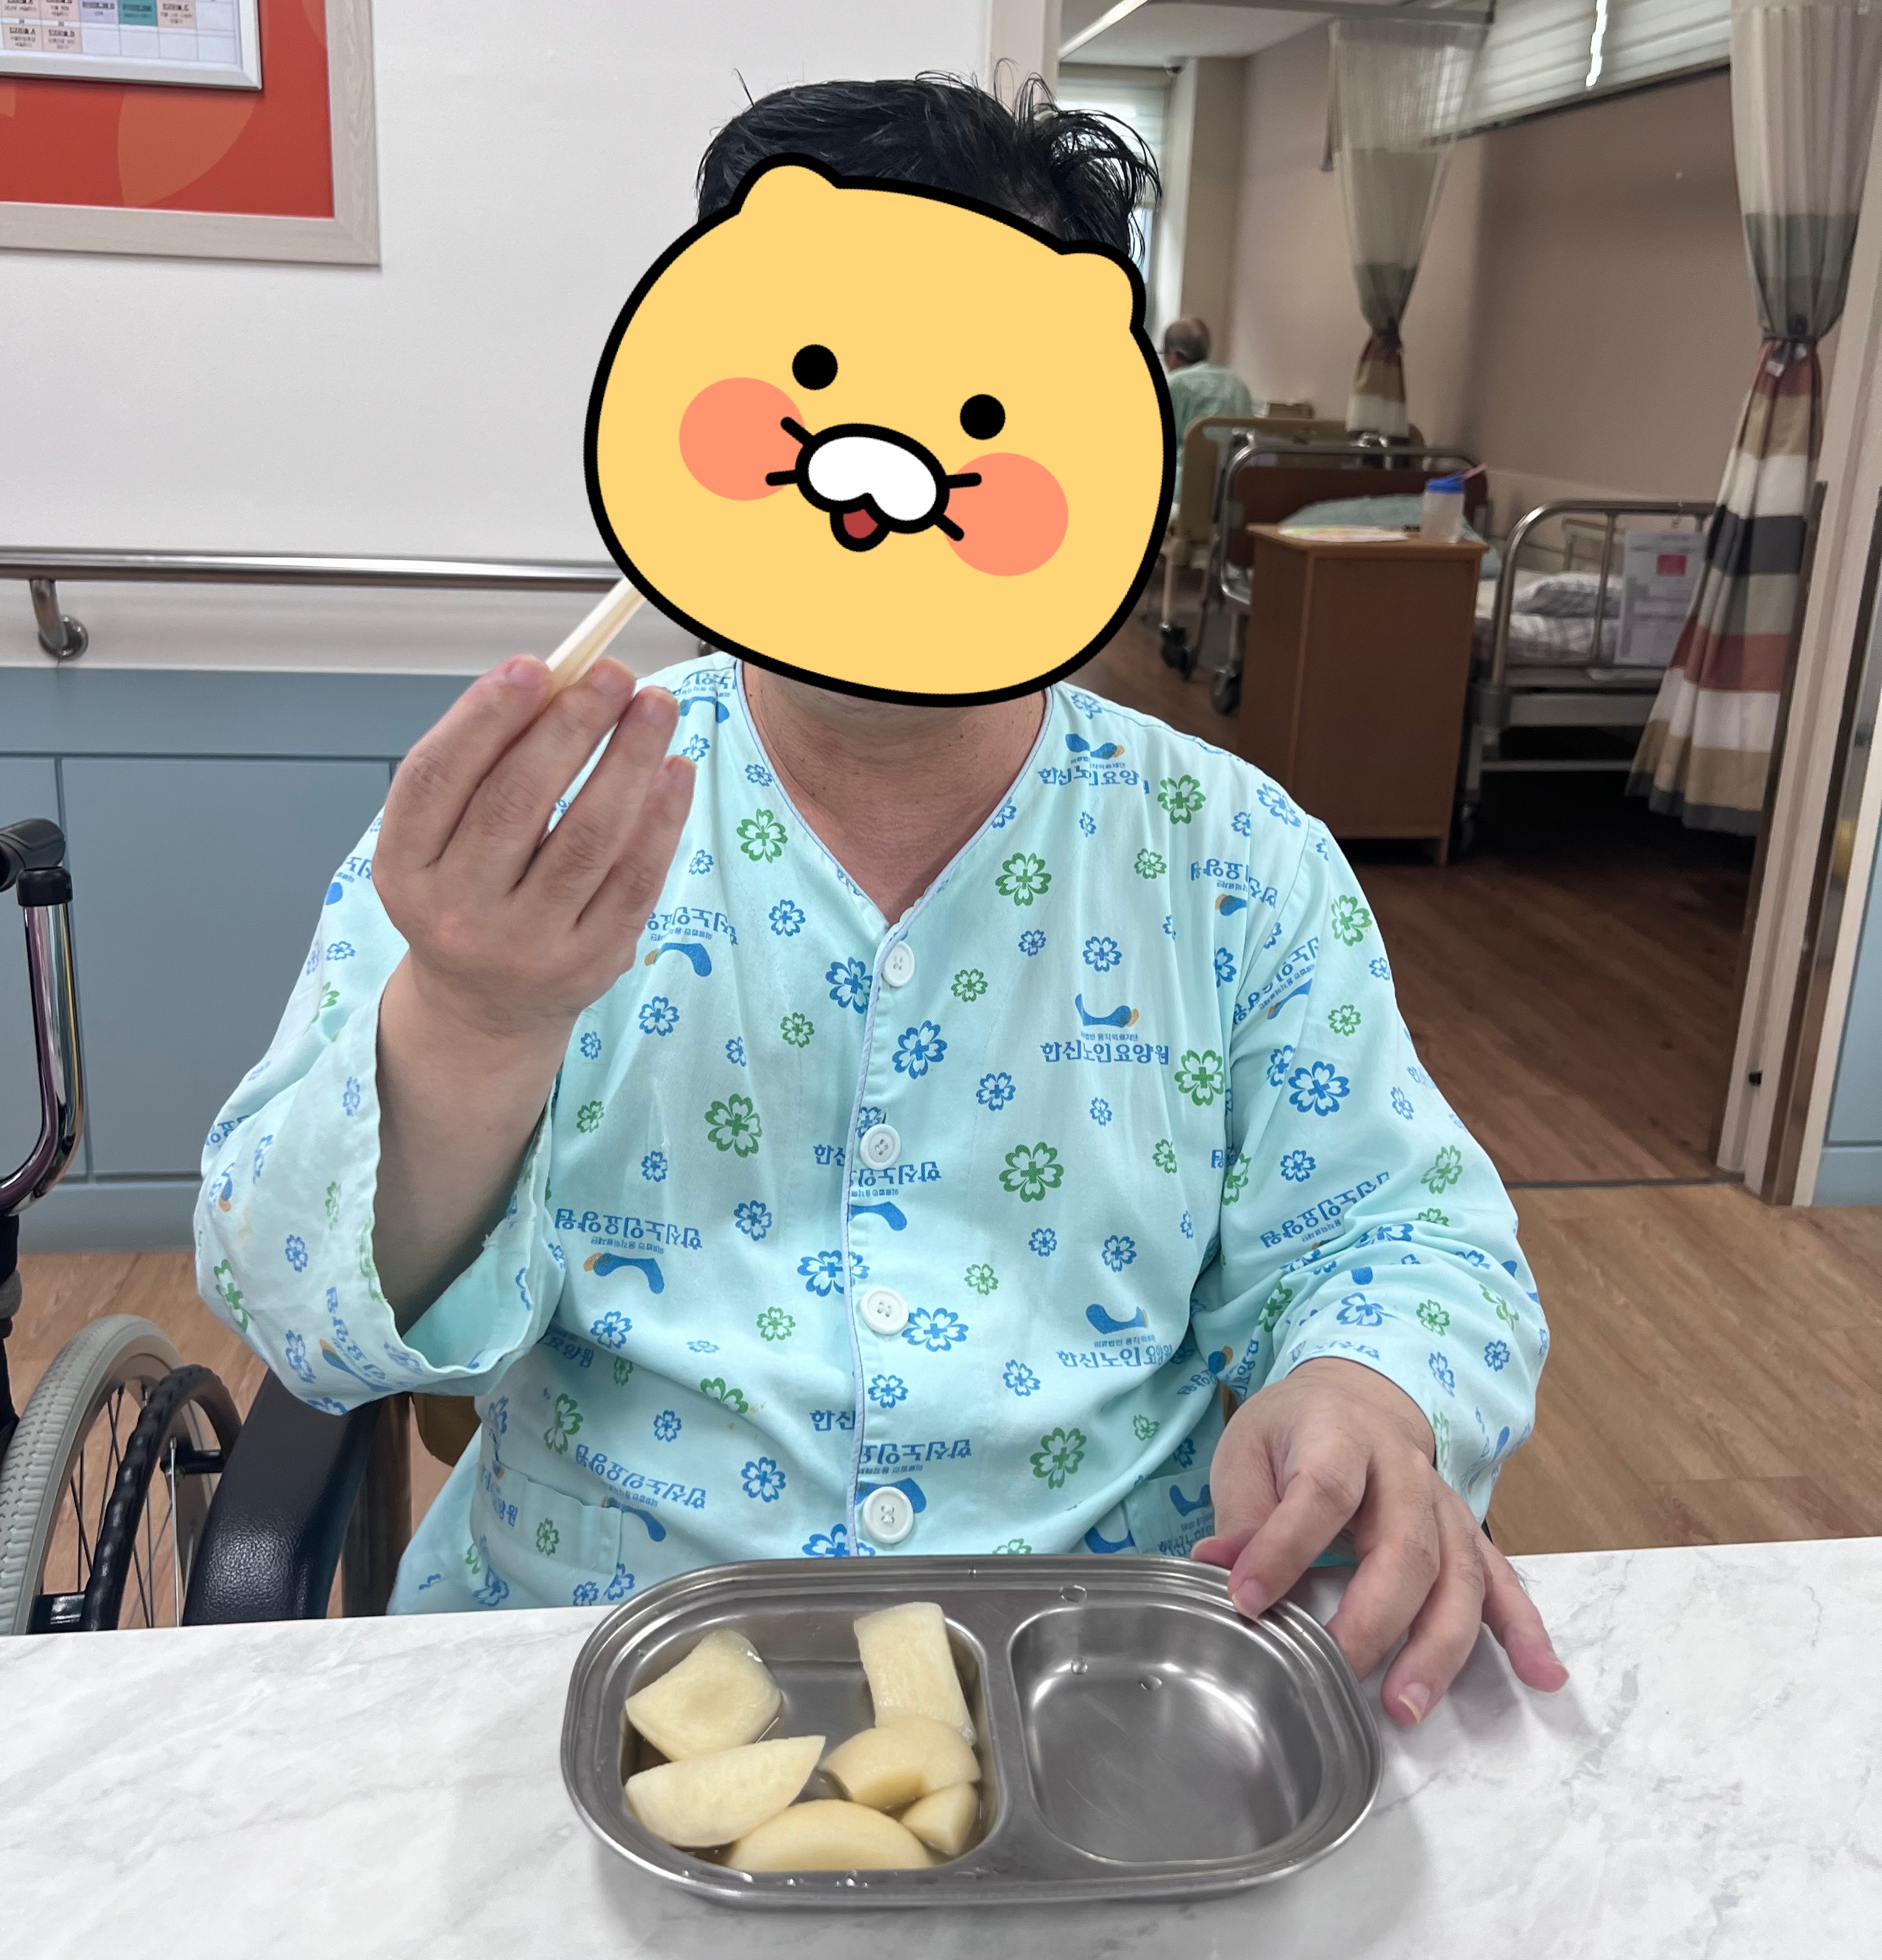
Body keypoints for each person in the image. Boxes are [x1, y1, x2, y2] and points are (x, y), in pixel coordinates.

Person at [195, 75, 1565, 1730]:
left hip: (1096, 1682)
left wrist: (1365, 1381)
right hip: (584, 1659)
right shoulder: (533, 832)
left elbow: (1397, 1228)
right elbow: (300, 1310)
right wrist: (473, 1023)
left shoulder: (1233, 858)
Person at [1163, 317, 1255, 507]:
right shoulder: (1237, 384)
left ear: (1171, 355)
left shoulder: (1177, 384)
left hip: (1184, 494)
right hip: (1234, 492)